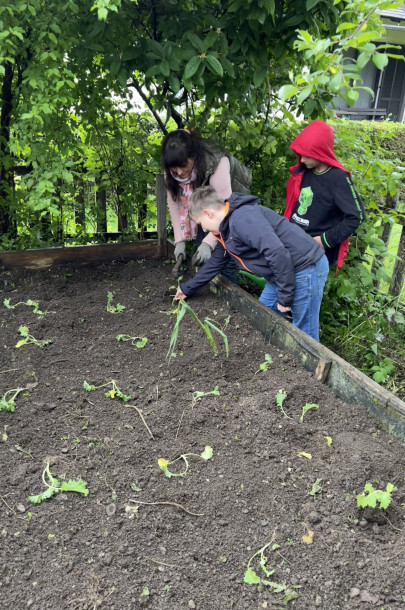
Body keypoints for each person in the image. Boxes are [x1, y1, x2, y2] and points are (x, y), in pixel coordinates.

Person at [175, 186, 329, 342]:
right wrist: (188, 288)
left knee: (305, 334)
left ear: (208, 213)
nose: (204, 228)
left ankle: (305, 365)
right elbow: (216, 261)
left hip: (305, 268)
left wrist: (284, 297)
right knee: (261, 318)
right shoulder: (226, 229)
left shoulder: (243, 219)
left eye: (201, 223)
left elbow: (277, 253)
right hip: (282, 272)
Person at [161, 129, 251, 276]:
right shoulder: (172, 170)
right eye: (174, 168)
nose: (179, 172)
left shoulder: (216, 163)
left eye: (183, 165)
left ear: (193, 156)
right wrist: (179, 240)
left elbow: (225, 206)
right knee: (203, 255)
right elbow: (174, 203)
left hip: (231, 207)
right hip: (206, 207)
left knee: (224, 257)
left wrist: (208, 244)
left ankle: (228, 293)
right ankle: (206, 283)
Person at [284, 120, 365, 268]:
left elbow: (356, 216)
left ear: (320, 152)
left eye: (307, 155)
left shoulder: (338, 178)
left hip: (312, 256)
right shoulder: (305, 171)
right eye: (301, 154)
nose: (302, 159)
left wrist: (323, 241)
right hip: (292, 246)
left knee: (301, 291)